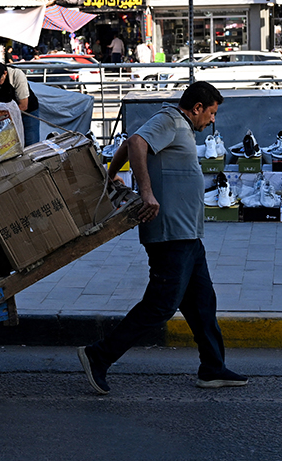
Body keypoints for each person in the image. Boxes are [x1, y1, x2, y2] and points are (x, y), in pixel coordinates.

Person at [79, 81, 244, 395]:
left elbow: (128, 144)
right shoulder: (170, 119)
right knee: (160, 305)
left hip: (188, 236)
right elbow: (137, 141)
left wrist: (111, 173)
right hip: (170, 235)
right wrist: (146, 192)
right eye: (211, 113)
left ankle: (213, 368)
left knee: (203, 304)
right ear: (197, 108)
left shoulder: (176, 125)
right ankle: (98, 355)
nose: (212, 121)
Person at [0, 59, 39, 143]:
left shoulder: (17, 75)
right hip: (5, 110)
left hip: (28, 111)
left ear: (5, 73)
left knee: (30, 142)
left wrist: (4, 118)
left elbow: (23, 105)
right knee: (9, 143)